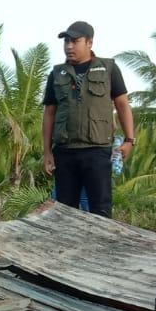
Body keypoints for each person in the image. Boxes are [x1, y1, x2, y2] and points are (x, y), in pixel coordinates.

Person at [42, 21, 136, 218]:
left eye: (75, 41)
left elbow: (122, 105)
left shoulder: (108, 69)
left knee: (100, 209)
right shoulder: (56, 73)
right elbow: (50, 113)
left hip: (97, 151)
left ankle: (101, 249)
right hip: (65, 152)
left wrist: (129, 140)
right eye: (66, 41)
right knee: (64, 211)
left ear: (89, 42)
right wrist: (47, 152)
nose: (69, 46)